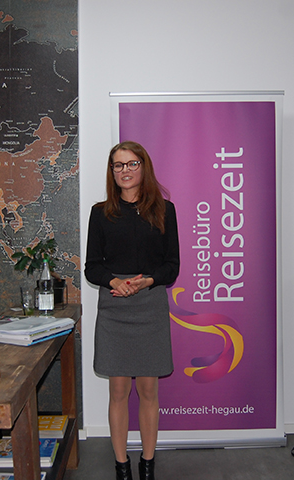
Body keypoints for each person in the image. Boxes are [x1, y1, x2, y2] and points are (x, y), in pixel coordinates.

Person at [85, 141, 180, 480]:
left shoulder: (165, 210)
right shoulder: (101, 213)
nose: (124, 170)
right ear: (111, 172)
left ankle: (148, 465)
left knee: (149, 391)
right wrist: (114, 281)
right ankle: (122, 465)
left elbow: (172, 267)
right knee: (119, 391)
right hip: (114, 306)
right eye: (118, 165)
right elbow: (92, 267)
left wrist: (147, 281)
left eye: (131, 164)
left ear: (143, 167)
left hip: (149, 303)